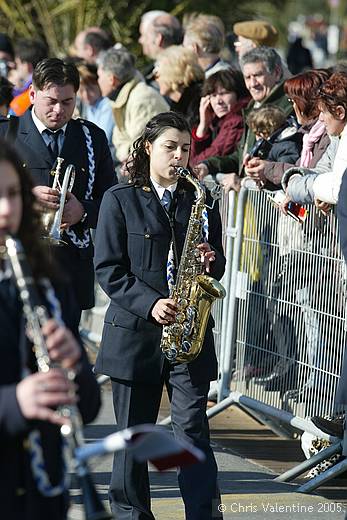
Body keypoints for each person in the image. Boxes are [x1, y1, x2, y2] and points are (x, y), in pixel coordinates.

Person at [94, 111, 226, 520]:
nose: (179, 156)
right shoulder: (120, 198)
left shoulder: (200, 197)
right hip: (136, 333)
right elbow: (108, 269)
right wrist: (150, 303)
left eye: (186, 148)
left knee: (192, 433)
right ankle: (132, 514)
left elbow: (216, 263)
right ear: (148, 147)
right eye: (170, 147)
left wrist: (211, 261)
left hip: (189, 336)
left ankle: (203, 513)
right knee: (136, 438)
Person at [0, 138, 101, 519]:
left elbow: (87, 407)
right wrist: (13, 403)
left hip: (43, 496)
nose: (7, 209)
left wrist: (75, 365)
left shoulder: (47, 283)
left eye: (13, 194)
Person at [0, 57, 116, 325]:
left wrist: (83, 211)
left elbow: (111, 201)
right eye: (50, 101)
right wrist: (26, 198)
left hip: (69, 269)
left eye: (67, 102)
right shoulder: (7, 133)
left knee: (66, 355)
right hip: (15, 264)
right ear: (32, 94)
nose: (59, 110)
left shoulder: (91, 137)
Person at [194, 47, 293, 192]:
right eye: (248, 77)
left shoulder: (287, 108)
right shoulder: (253, 106)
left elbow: (286, 159)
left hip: (274, 201)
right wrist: (208, 165)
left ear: (277, 73)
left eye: (258, 75)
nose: (253, 84)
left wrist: (244, 181)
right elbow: (240, 157)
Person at [245, 69, 331, 189]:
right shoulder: (308, 136)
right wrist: (262, 173)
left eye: (293, 101)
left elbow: (311, 175)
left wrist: (268, 169)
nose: (293, 106)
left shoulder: (328, 135)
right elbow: (299, 171)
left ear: (309, 102)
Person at [97, 47, 169, 169]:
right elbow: (119, 142)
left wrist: (125, 152)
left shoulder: (143, 99)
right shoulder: (123, 99)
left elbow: (141, 148)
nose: (98, 81)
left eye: (99, 76)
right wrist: (125, 152)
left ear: (112, 79)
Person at [190, 68, 250, 165]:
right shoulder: (217, 122)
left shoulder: (236, 120)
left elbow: (196, 163)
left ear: (238, 94)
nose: (218, 101)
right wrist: (203, 125)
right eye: (213, 95)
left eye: (223, 93)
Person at [154, 45, 204, 127]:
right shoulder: (177, 107)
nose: (156, 80)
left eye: (157, 75)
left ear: (174, 74)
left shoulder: (198, 101)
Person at [77, 62, 115, 158]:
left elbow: (103, 138)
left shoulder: (107, 104)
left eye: (90, 89)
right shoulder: (87, 107)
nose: (86, 95)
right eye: (81, 91)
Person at [9, 38, 48, 116]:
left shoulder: (27, 97)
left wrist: (11, 89)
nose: (14, 67)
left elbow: (12, 116)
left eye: (17, 64)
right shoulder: (48, 85)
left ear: (27, 66)